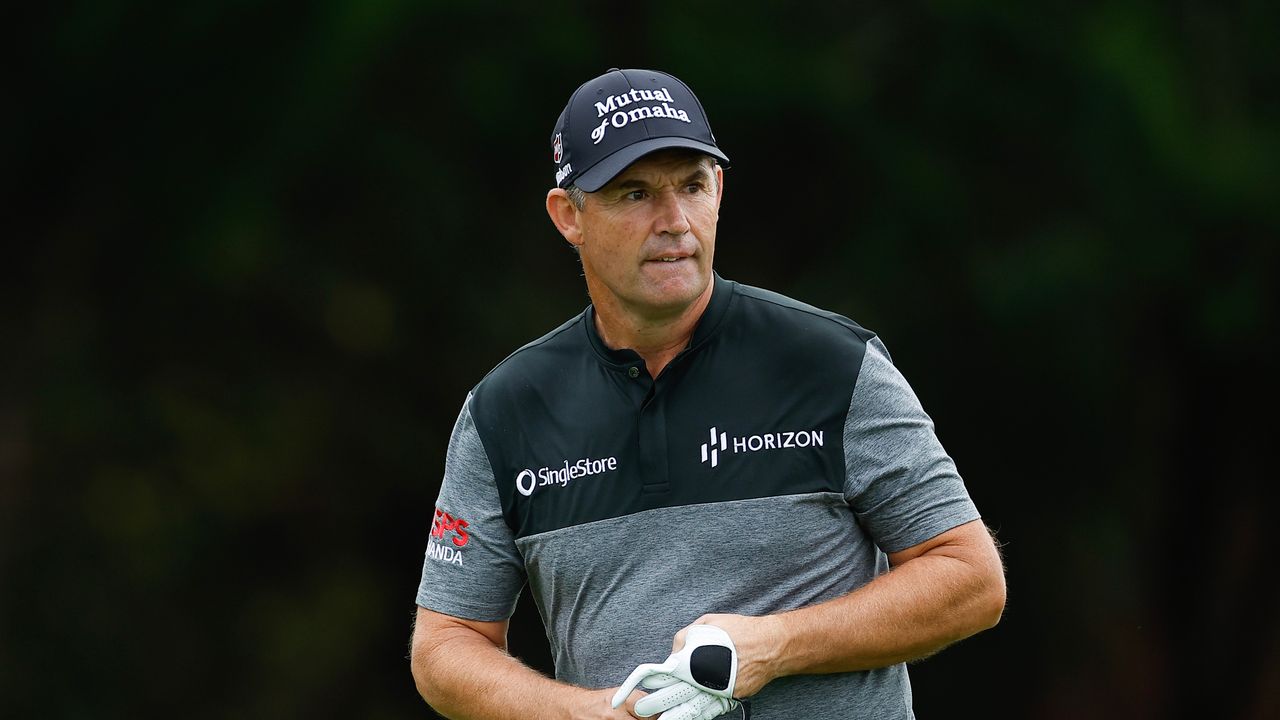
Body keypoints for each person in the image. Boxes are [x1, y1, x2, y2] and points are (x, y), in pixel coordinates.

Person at [409, 67, 1006, 720]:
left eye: (691, 185)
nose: (673, 221)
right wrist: (584, 716)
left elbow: (971, 579)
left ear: (718, 191)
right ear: (569, 216)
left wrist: (775, 646)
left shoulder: (830, 366)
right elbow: (445, 645)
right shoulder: (507, 412)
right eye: (633, 193)